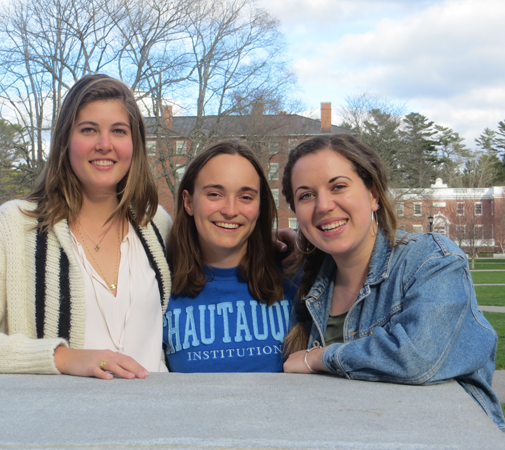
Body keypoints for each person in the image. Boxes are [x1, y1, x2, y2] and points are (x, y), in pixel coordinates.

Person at [0, 74, 172, 380]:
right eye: (88, 130)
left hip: (155, 421)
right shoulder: (16, 225)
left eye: (118, 131)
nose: (104, 144)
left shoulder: (157, 225)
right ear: (65, 141)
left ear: (135, 144)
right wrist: (62, 358)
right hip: (62, 423)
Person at [281, 133, 505, 430]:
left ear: (373, 194)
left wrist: (319, 357)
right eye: (306, 195)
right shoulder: (310, 285)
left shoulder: (431, 259)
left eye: (338, 187)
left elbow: (417, 355)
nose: (323, 206)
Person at [163, 141, 297, 372]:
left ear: (260, 207)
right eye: (215, 194)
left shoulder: (297, 274)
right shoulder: (159, 283)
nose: (230, 210)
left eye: (246, 197)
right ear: (188, 202)